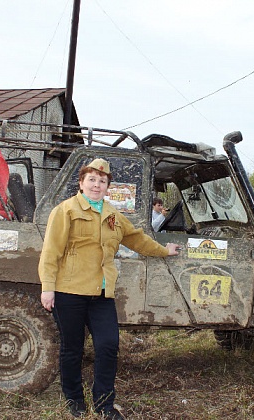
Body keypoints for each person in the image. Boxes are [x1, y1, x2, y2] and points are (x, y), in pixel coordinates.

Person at [38, 158, 180, 419]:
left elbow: (136, 239)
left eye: (102, 181)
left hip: (102, 293)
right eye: (92, 179)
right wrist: (48, 287)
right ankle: (74, 400)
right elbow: (50, 252)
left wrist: (164, 250)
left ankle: (104, 404)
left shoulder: (112, 215)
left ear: (107, 187)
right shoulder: (65, 211)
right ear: (81, 183)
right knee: (72, 348)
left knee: (108, 345)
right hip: (69, 291)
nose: (97, 185)